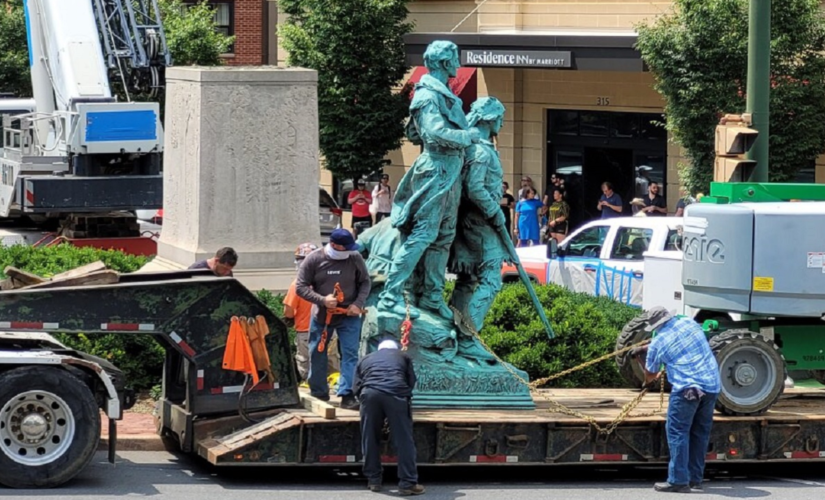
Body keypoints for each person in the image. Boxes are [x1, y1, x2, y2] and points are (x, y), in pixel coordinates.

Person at [378, 40, 480, 320]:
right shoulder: (427, 95)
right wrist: (466, 137)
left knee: (443, 237)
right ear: (444, 62)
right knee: (423, 235)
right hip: (435, 170)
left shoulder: (443, 93)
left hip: (450, 171)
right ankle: (390, 295)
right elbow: (432, 133)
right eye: (455, 58)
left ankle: (433, 296)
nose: (458, 63)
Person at [631, 307, 721, 493]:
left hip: (687, 390)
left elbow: (651, 374)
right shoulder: (689, 323)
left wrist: (645, 374)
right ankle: (695, 479)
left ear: (655, 325)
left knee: (678, 432)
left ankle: (678, 480)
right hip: (711, 386)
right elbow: (679, 341)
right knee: (699, 434)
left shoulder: (658, 343)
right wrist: (646, 347)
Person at [448, 96, 509, 332]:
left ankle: (454, 327)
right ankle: (468, 334)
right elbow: (475, 188)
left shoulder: (472, 147)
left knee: (468, 277)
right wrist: (495, 212)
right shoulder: (481, 152)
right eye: (500, 118)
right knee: (491, 280)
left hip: (470, 221)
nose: (502, 124)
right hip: (480, 221)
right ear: (490, 119)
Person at [296, 229, 371, 410]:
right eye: (346, 247)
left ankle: (347, 393)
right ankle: (319, 392)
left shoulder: (354, 257)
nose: (350, 251)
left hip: (349, 315)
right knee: (317, 352)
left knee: (350, 354)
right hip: (323, 316)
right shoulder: (314, 259)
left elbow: (365, 282)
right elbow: (300, 287)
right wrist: (322, 300)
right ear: (335, 245)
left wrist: (357, 303)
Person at [353, 338, 424, 496]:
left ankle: (374, 480)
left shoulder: (365, 359)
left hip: (369, 394)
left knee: (370, 437)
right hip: (396, 393)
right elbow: (411, 381)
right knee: (403, 439)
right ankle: (408, 483)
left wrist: (366, 402)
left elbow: (356, 386)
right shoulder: (403, 357)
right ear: (395, 349)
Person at [283, 243, 340, 382]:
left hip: (306, 332)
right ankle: (334, 390)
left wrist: (290, 317)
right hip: (329, 328)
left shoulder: (297, 284)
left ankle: (312, 390)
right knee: (331, 363)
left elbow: (288, 311)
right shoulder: (331, 281)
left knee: (307, 364)